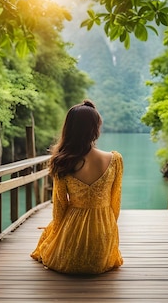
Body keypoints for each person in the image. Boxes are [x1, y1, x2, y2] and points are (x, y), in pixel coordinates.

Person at [30, 99, 124, 274]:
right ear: (95, 129)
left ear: (69, 129)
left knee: (49, 238)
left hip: (72, 233)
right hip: (102, 239)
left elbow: (59, 207)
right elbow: (115, 204)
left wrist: (55, 232)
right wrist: (108, 230)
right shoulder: (114, 160)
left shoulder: (62, 161)